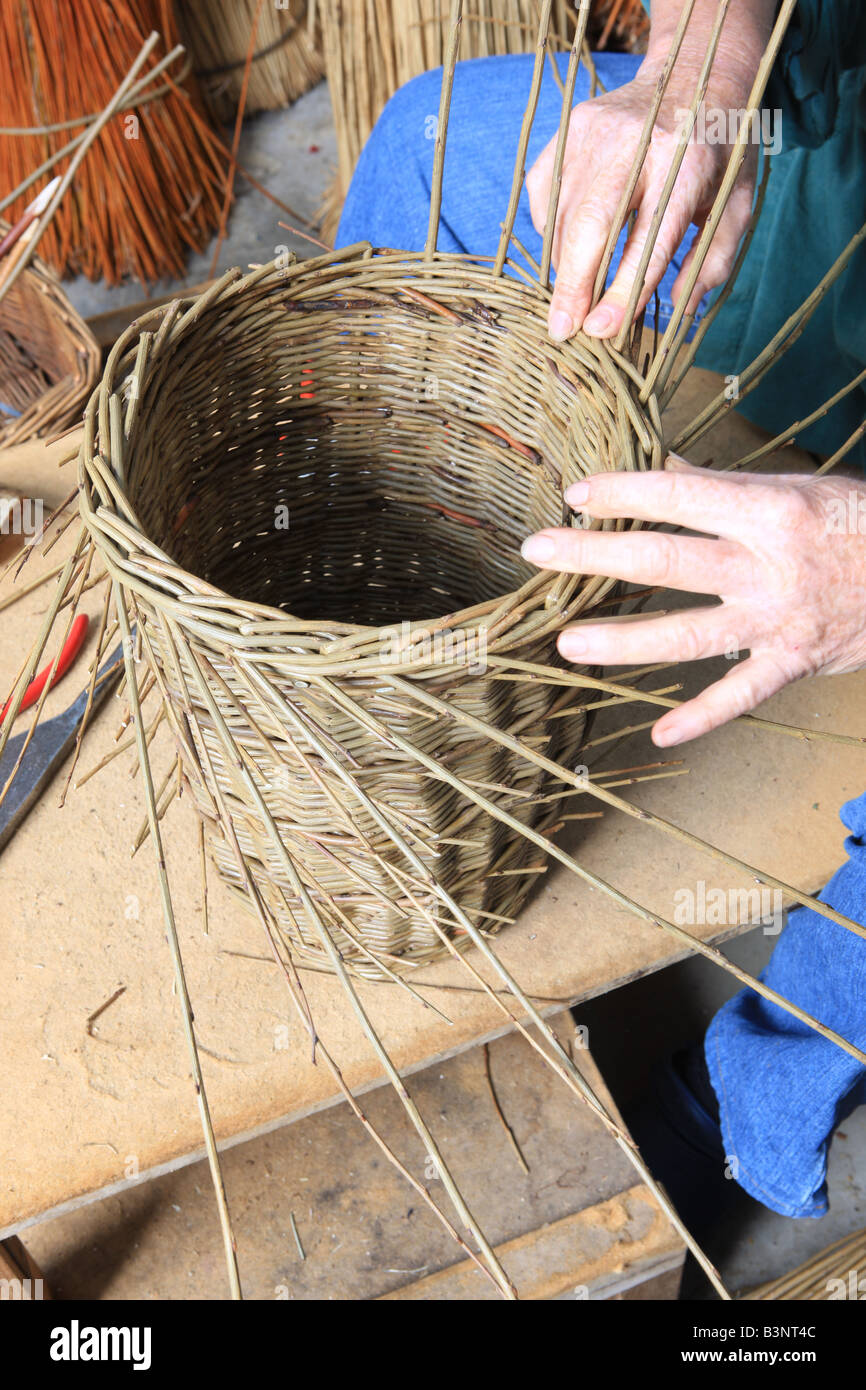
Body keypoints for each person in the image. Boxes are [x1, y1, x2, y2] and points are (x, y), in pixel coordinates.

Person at [335, 0, 866, 1235]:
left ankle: (739, 1111)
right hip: (839, 177)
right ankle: (406, 639)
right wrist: (701, 68)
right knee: (433, 150)